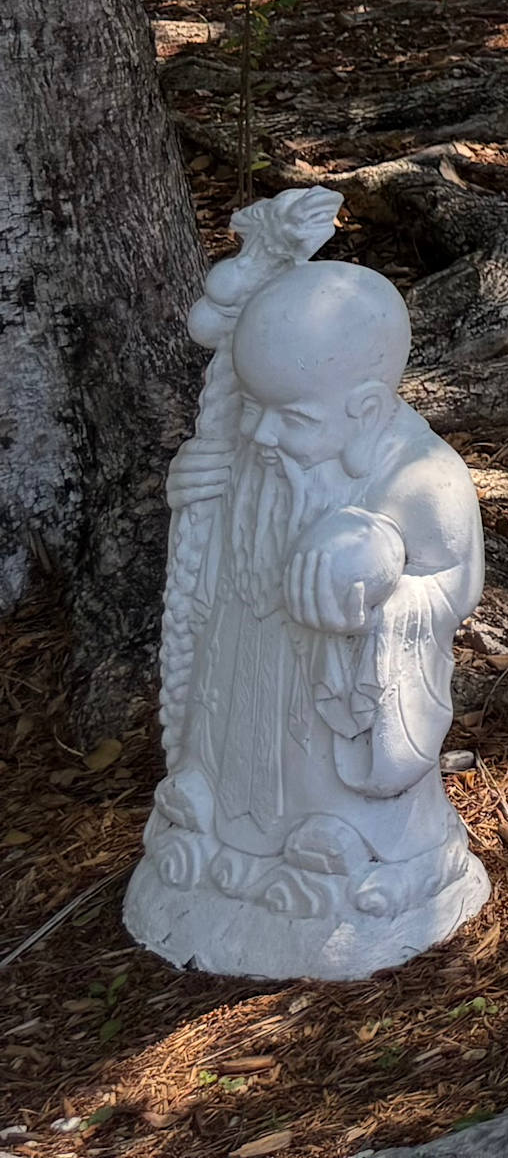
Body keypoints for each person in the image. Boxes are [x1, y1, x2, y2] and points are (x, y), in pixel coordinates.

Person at [127, 224, 489, 979]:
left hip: (329, 700)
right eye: (255, 408)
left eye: (289, 416)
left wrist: (385, 578)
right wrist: (197, 492)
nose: (260, 431)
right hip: (245, 666)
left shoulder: (423, 477)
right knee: (230, 762)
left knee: (327, 812)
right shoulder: (264, 449)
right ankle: (222, 840)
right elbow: (217, 550)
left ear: (362, 408)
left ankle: (349, 845)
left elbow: (453, 583)